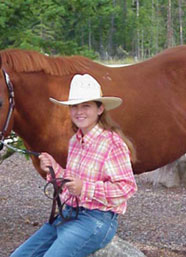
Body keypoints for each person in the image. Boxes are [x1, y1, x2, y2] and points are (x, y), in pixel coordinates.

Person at [10, 74, 137, 257]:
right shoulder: (75, 141)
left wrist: (85, 188)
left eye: (86, 106)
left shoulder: (112, 144)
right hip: (68, 213)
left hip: (96, 220)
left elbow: (126, 188)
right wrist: (54, 168)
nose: (79, 112)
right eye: (74, 107)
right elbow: (71, 182)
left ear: (100, 109)